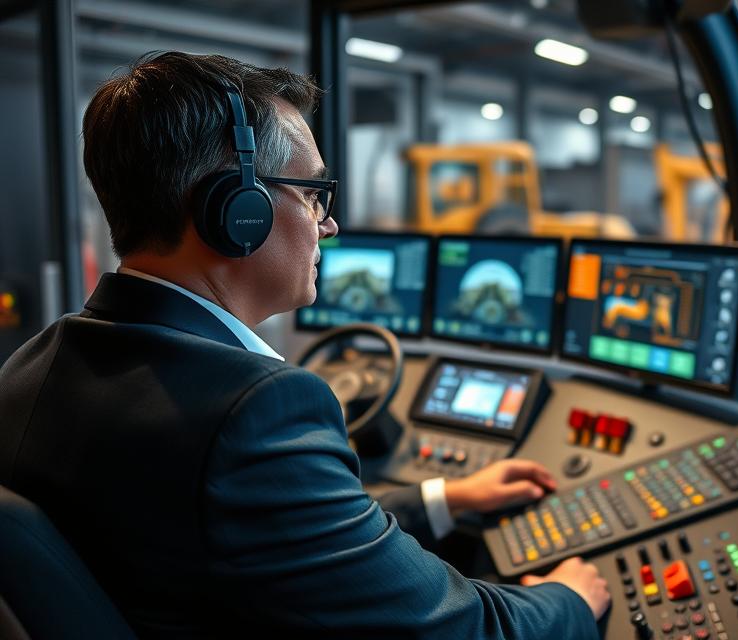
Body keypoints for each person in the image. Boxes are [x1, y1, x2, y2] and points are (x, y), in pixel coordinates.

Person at [0, 52, 608, 639]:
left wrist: (442, 499)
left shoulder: (34, 365)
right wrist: (572, 598)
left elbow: (261, 528)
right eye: (313, 193)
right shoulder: (251, 414)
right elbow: (462, 627)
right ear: (238, 210)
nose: (328, 224)